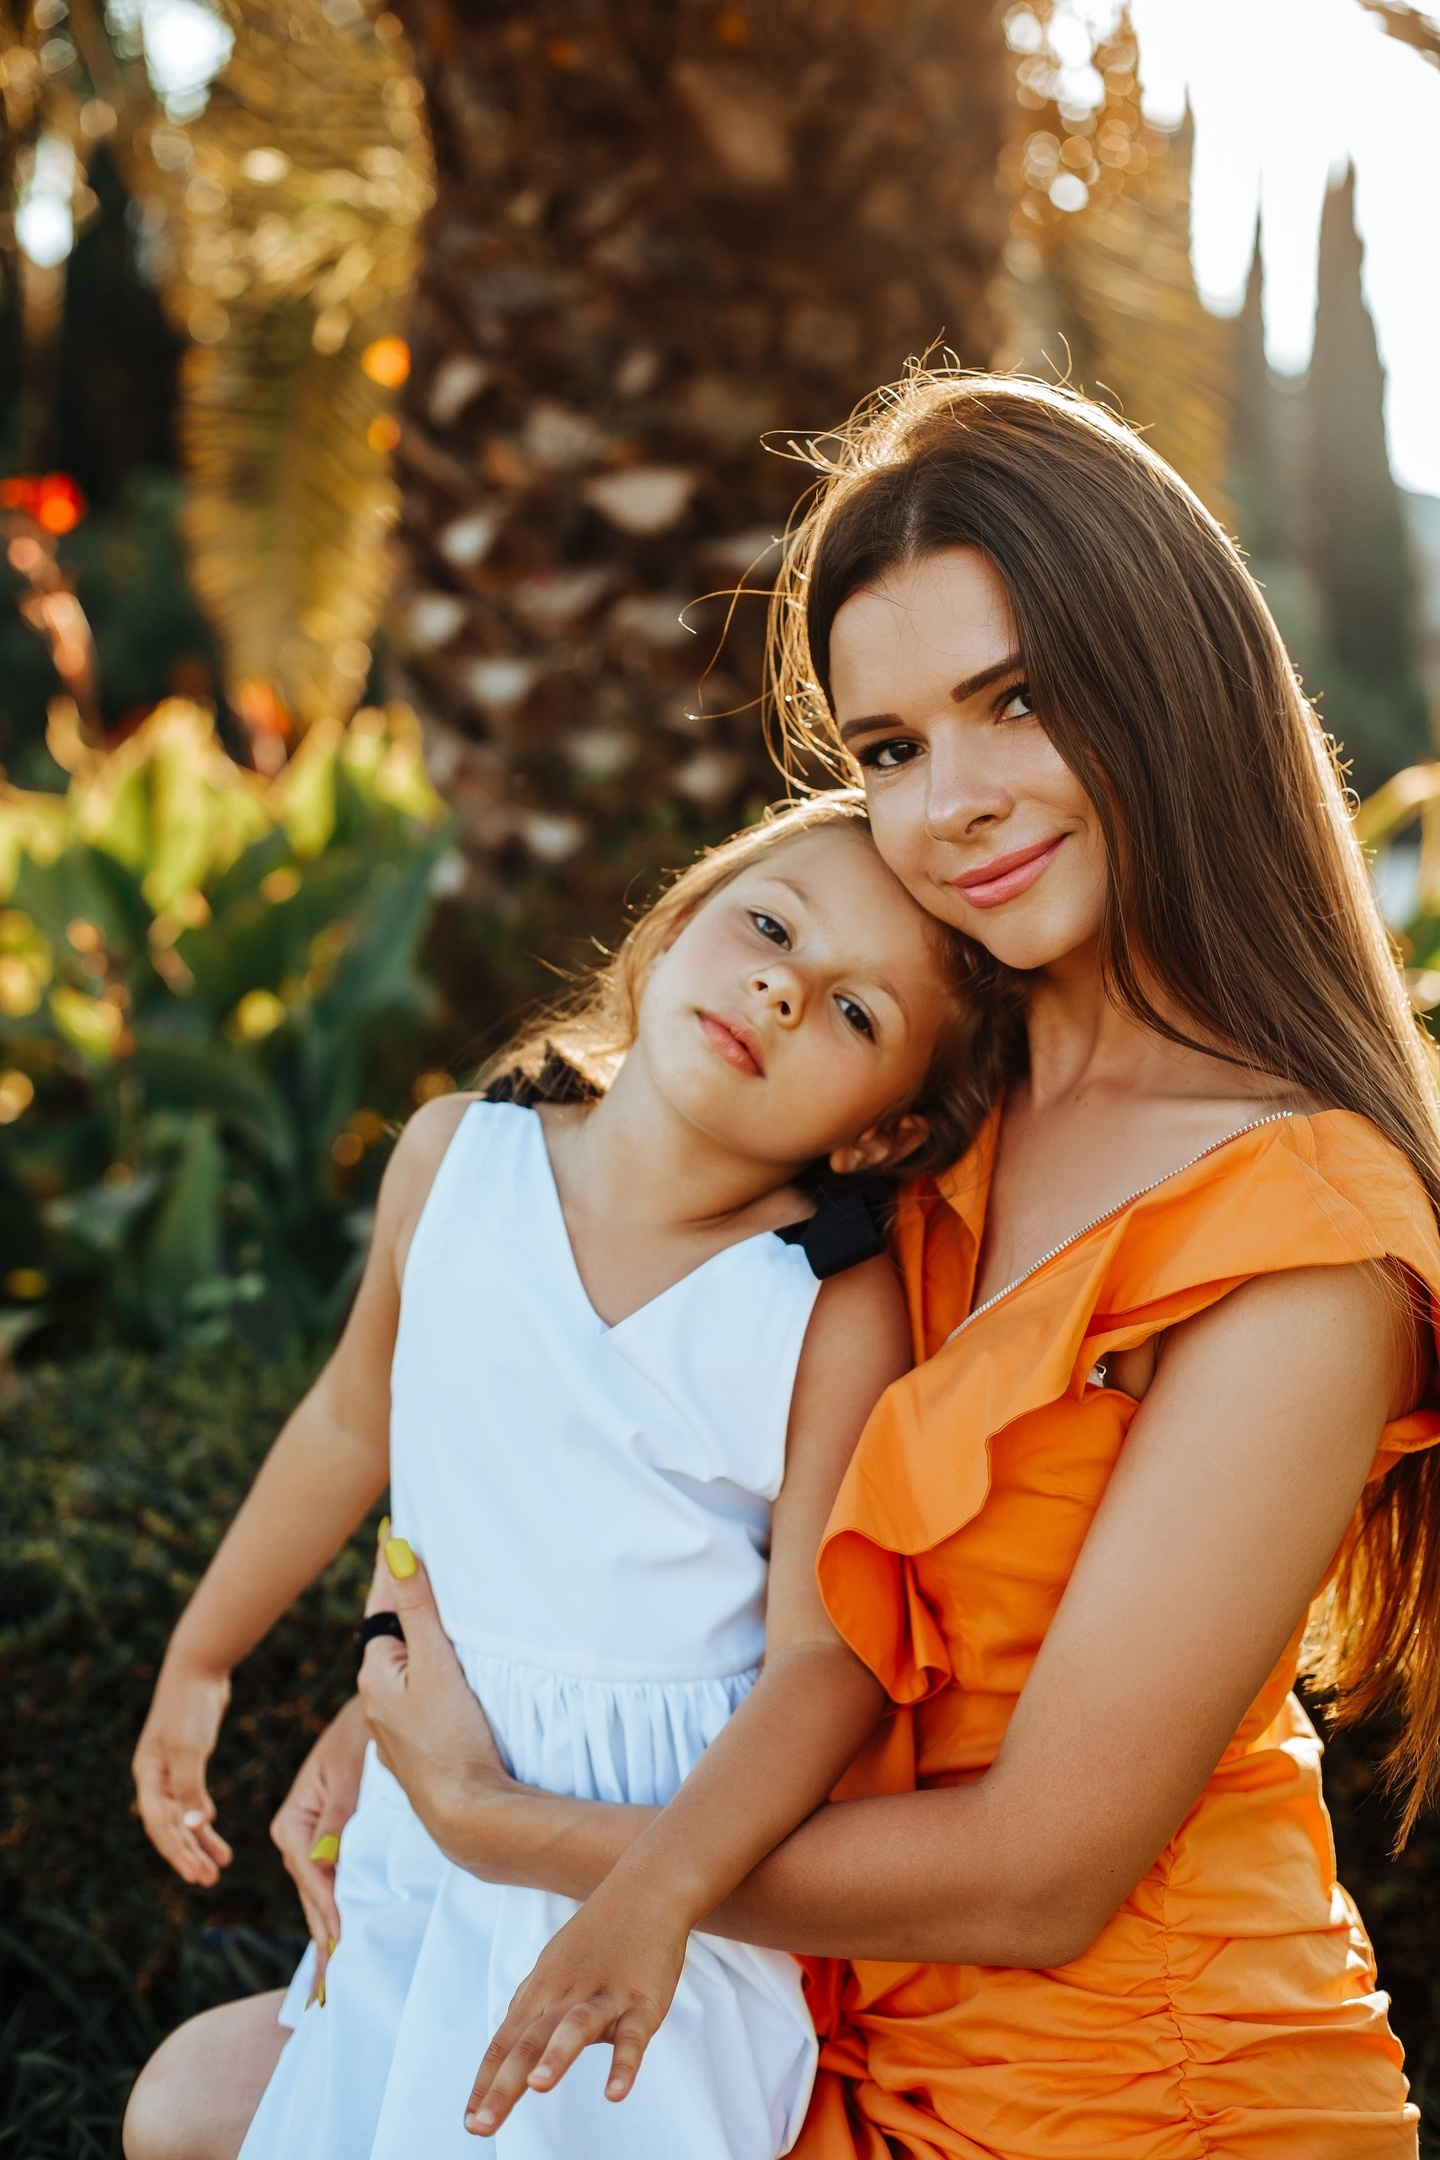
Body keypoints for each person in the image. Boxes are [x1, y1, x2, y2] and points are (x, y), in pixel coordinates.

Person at [127, 369, 1440, 2160]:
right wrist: (407, 1676)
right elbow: (519, 1370)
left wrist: (491, 1815)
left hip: (1135, 2097)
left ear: (1171, 680)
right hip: (819, 2027)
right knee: (198, 2104)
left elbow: (1038, 1880)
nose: (951, 803)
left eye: (1019, 702)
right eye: (890, 749)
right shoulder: (902, 1101)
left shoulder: (1305, 1240)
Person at [126, 795, 983, 2160]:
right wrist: (203, 1659)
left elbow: (830, 1666)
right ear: (669, 933)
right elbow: (356, 1422)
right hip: (430, 1816)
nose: (781, 984)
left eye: (855, 1013)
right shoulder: (456, 1158)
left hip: (648, 1851)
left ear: (883, 1135)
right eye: (768, 926)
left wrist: (660, 1891)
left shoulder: (824, 1306)